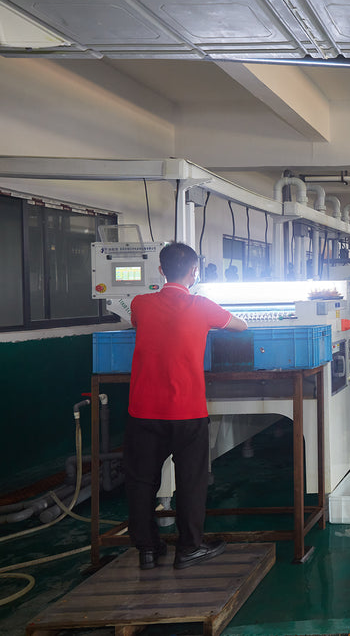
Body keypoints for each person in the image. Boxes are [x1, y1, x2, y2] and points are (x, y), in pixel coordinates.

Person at [126, 243, 248, 570]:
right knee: (191, 481)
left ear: (161, 270)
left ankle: (147, 550)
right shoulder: (202, 306)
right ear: (194, 272)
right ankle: (189, 548)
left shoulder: (140, 303)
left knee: (142, 481)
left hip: (143, 410)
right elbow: (241, 326)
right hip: (187, 411)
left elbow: (138, 324)